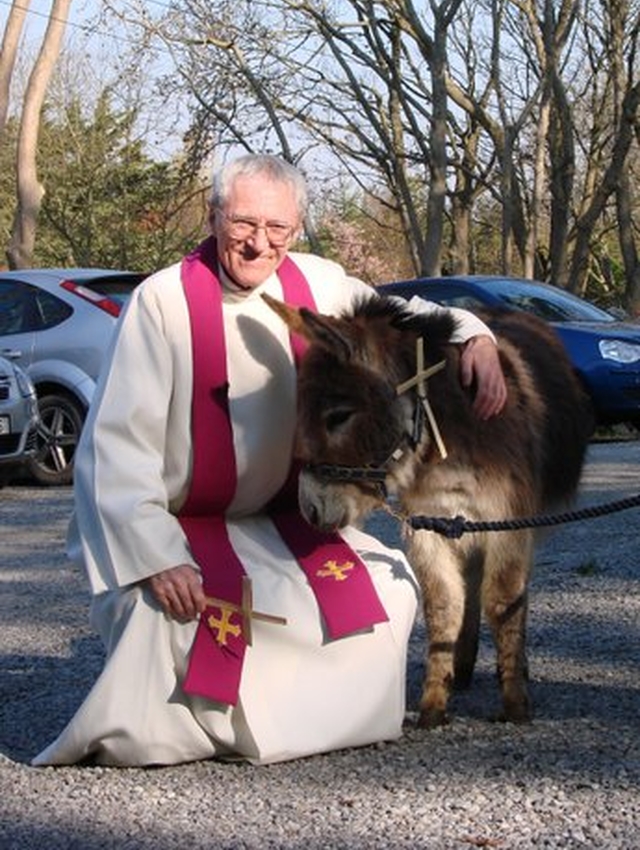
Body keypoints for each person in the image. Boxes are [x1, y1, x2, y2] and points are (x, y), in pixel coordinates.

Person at [33, 154, 506, 768]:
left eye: (277, 229)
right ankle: (207, 733)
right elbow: (116, 449)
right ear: (213, 217)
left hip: (285, 523)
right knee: (168, 613)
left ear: (297, 228)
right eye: (244, 225)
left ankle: (313, 724)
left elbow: (404, 317)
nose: (260, 244)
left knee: (389, 590)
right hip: (184, 527)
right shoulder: (162, 304)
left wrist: (475, 335)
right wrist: (156, 557)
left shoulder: (323, 285)